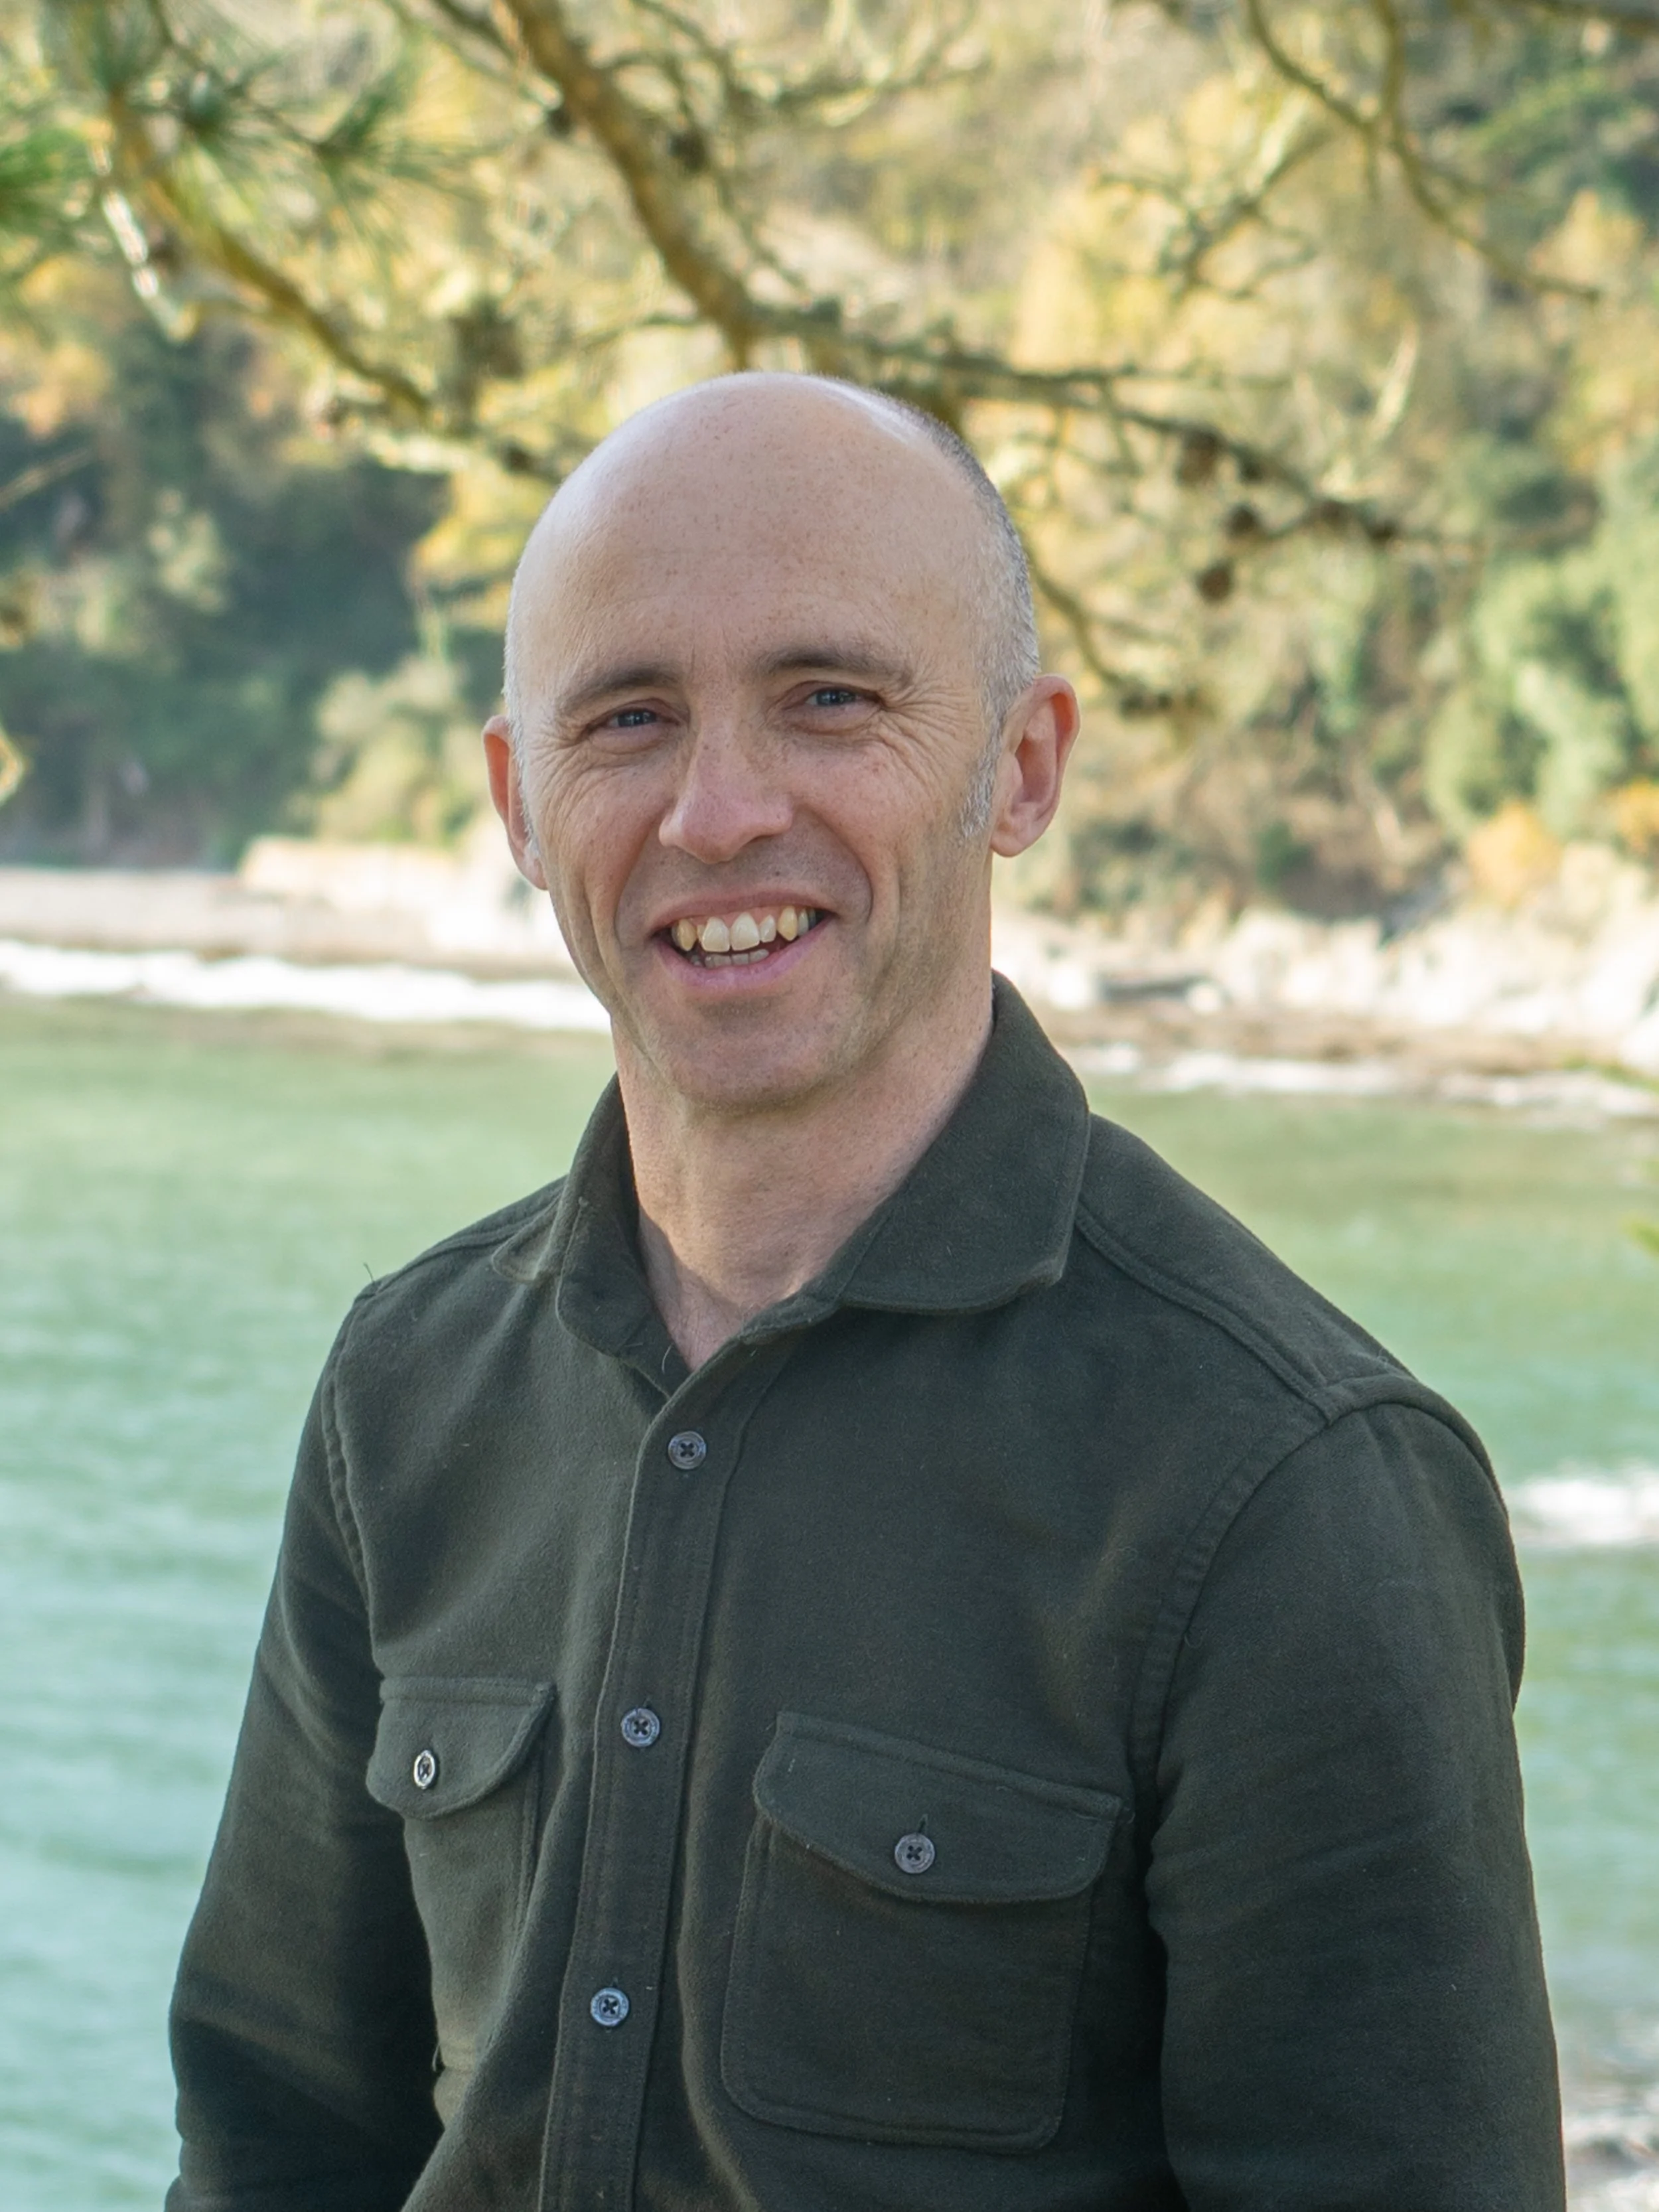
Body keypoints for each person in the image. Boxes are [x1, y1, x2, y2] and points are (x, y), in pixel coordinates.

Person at [167, 374, 1565, 2212]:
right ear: (520, 798)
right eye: (628, 716)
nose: (719, 808)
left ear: (1022, 764)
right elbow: (280, 2133)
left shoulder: (1287, 1483)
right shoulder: (409, 1386)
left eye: (829, 698)